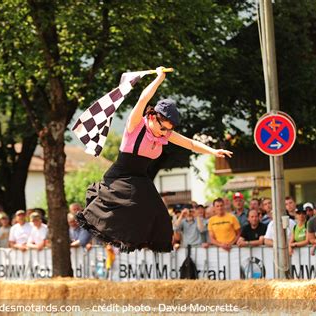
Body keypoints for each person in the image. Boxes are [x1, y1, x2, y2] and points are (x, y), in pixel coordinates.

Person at [76, 67, 233, 252]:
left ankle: (146, 245)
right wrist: (159, 78)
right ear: (152, 116)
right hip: (120, 177)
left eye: (168, 129)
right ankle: (118, 240)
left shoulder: (164, 135)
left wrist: (213, 151)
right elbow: (143, 99)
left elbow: (190, 144)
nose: (165, 132)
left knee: (160, 214)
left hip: (141, 179)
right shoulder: (135, 125)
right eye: (163, 127)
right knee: (129, 208)